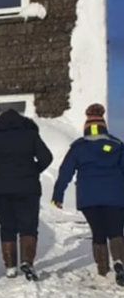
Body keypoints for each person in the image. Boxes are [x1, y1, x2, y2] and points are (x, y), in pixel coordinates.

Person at [0, 108, 54, 280]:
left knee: (7, 226)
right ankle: (27, 262)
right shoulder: (31, 136)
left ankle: (10, 267)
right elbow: (46, 157)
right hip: (28, 187)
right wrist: (34, 170)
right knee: (28, 226)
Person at [51, 103, 124, 285]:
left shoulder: (78, 148)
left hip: (88, 198)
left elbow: (65, 171)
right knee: (116, 230)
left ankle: (102, 269)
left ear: (86, 127)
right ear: (103, 125)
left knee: (98, 231)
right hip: (115, 196)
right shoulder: (117, 145)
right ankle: (120, 262)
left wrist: (58, 195)